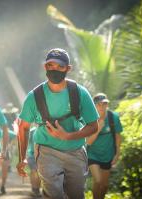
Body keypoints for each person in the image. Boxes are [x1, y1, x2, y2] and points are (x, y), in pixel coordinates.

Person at [16, 48, 99, 199]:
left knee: (76, 195)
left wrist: (68, 136)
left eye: (60, 66)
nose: (55, 70)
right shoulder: (34, 96)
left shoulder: (79, 93)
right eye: (51, 65)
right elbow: (24, 127)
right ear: (45, 67)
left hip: (75, 151)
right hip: (46, 151)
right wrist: (22, 158)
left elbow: (94, 125)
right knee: (53, 194)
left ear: (68, 69)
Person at [86, 93, 123, 199]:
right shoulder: (89, 119)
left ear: (107, 105)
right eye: (99, 104)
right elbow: (88, 142)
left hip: (108, 155)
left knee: (105, 184)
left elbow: (117, 136)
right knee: (98, 180)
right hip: (93, 155)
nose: (102, 107)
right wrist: (98, 129)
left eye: (104, 104)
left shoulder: (113, 117)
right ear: (94, 106)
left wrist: (117, 153)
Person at [0, 128, 16, 195]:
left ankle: (1, 187)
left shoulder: (5, 131)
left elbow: (16, 136)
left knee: (2, 171)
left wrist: (10, 145)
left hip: (4, 152)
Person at [26, 126, 41, 197]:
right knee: (36, 172)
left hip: (32, 154)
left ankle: (35, 189)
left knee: (34, 172)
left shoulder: (31, 131)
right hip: (34, 154)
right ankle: (36, 189)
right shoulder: (33, 131)